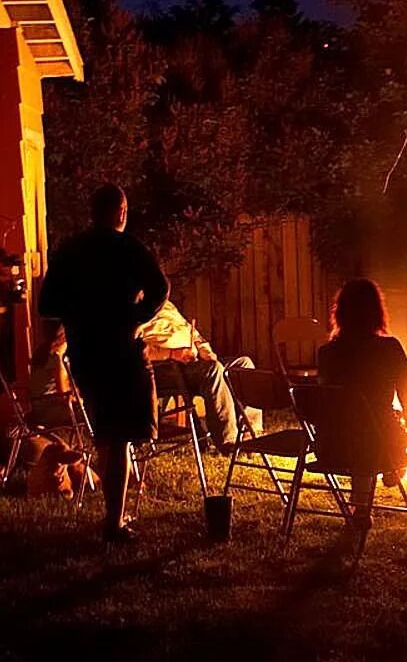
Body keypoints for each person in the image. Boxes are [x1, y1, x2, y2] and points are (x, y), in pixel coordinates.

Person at [39, 183, 169, 545]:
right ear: (121, 213)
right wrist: (135, 317)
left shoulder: (71, 251)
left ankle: (114, 516)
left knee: (107, 433)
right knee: (121, 436)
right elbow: (160, 288)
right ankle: (114, 521)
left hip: (85, 352)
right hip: (122, 351)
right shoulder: (128, 248)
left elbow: (47, 304)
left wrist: (76, 315)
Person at [316, 278, 407, 527]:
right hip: (378, 444)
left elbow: (327, 403)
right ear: (377, 312)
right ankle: (389, 469)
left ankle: (361, 503)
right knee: (373, 426)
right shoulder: (390, 348)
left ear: (339, 313)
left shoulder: (327, 353)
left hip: (331, 446)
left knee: (358, 422)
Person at [141, 300, 254, 452]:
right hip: (163, 368)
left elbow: (192, 332)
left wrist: (206, 351)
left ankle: (249, 434)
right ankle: (228, 442)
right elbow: (133, 349)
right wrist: (172, 354)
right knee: (213, 370)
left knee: (243, 364)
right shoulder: (132, 310)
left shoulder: (165, 304)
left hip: (191, 362)